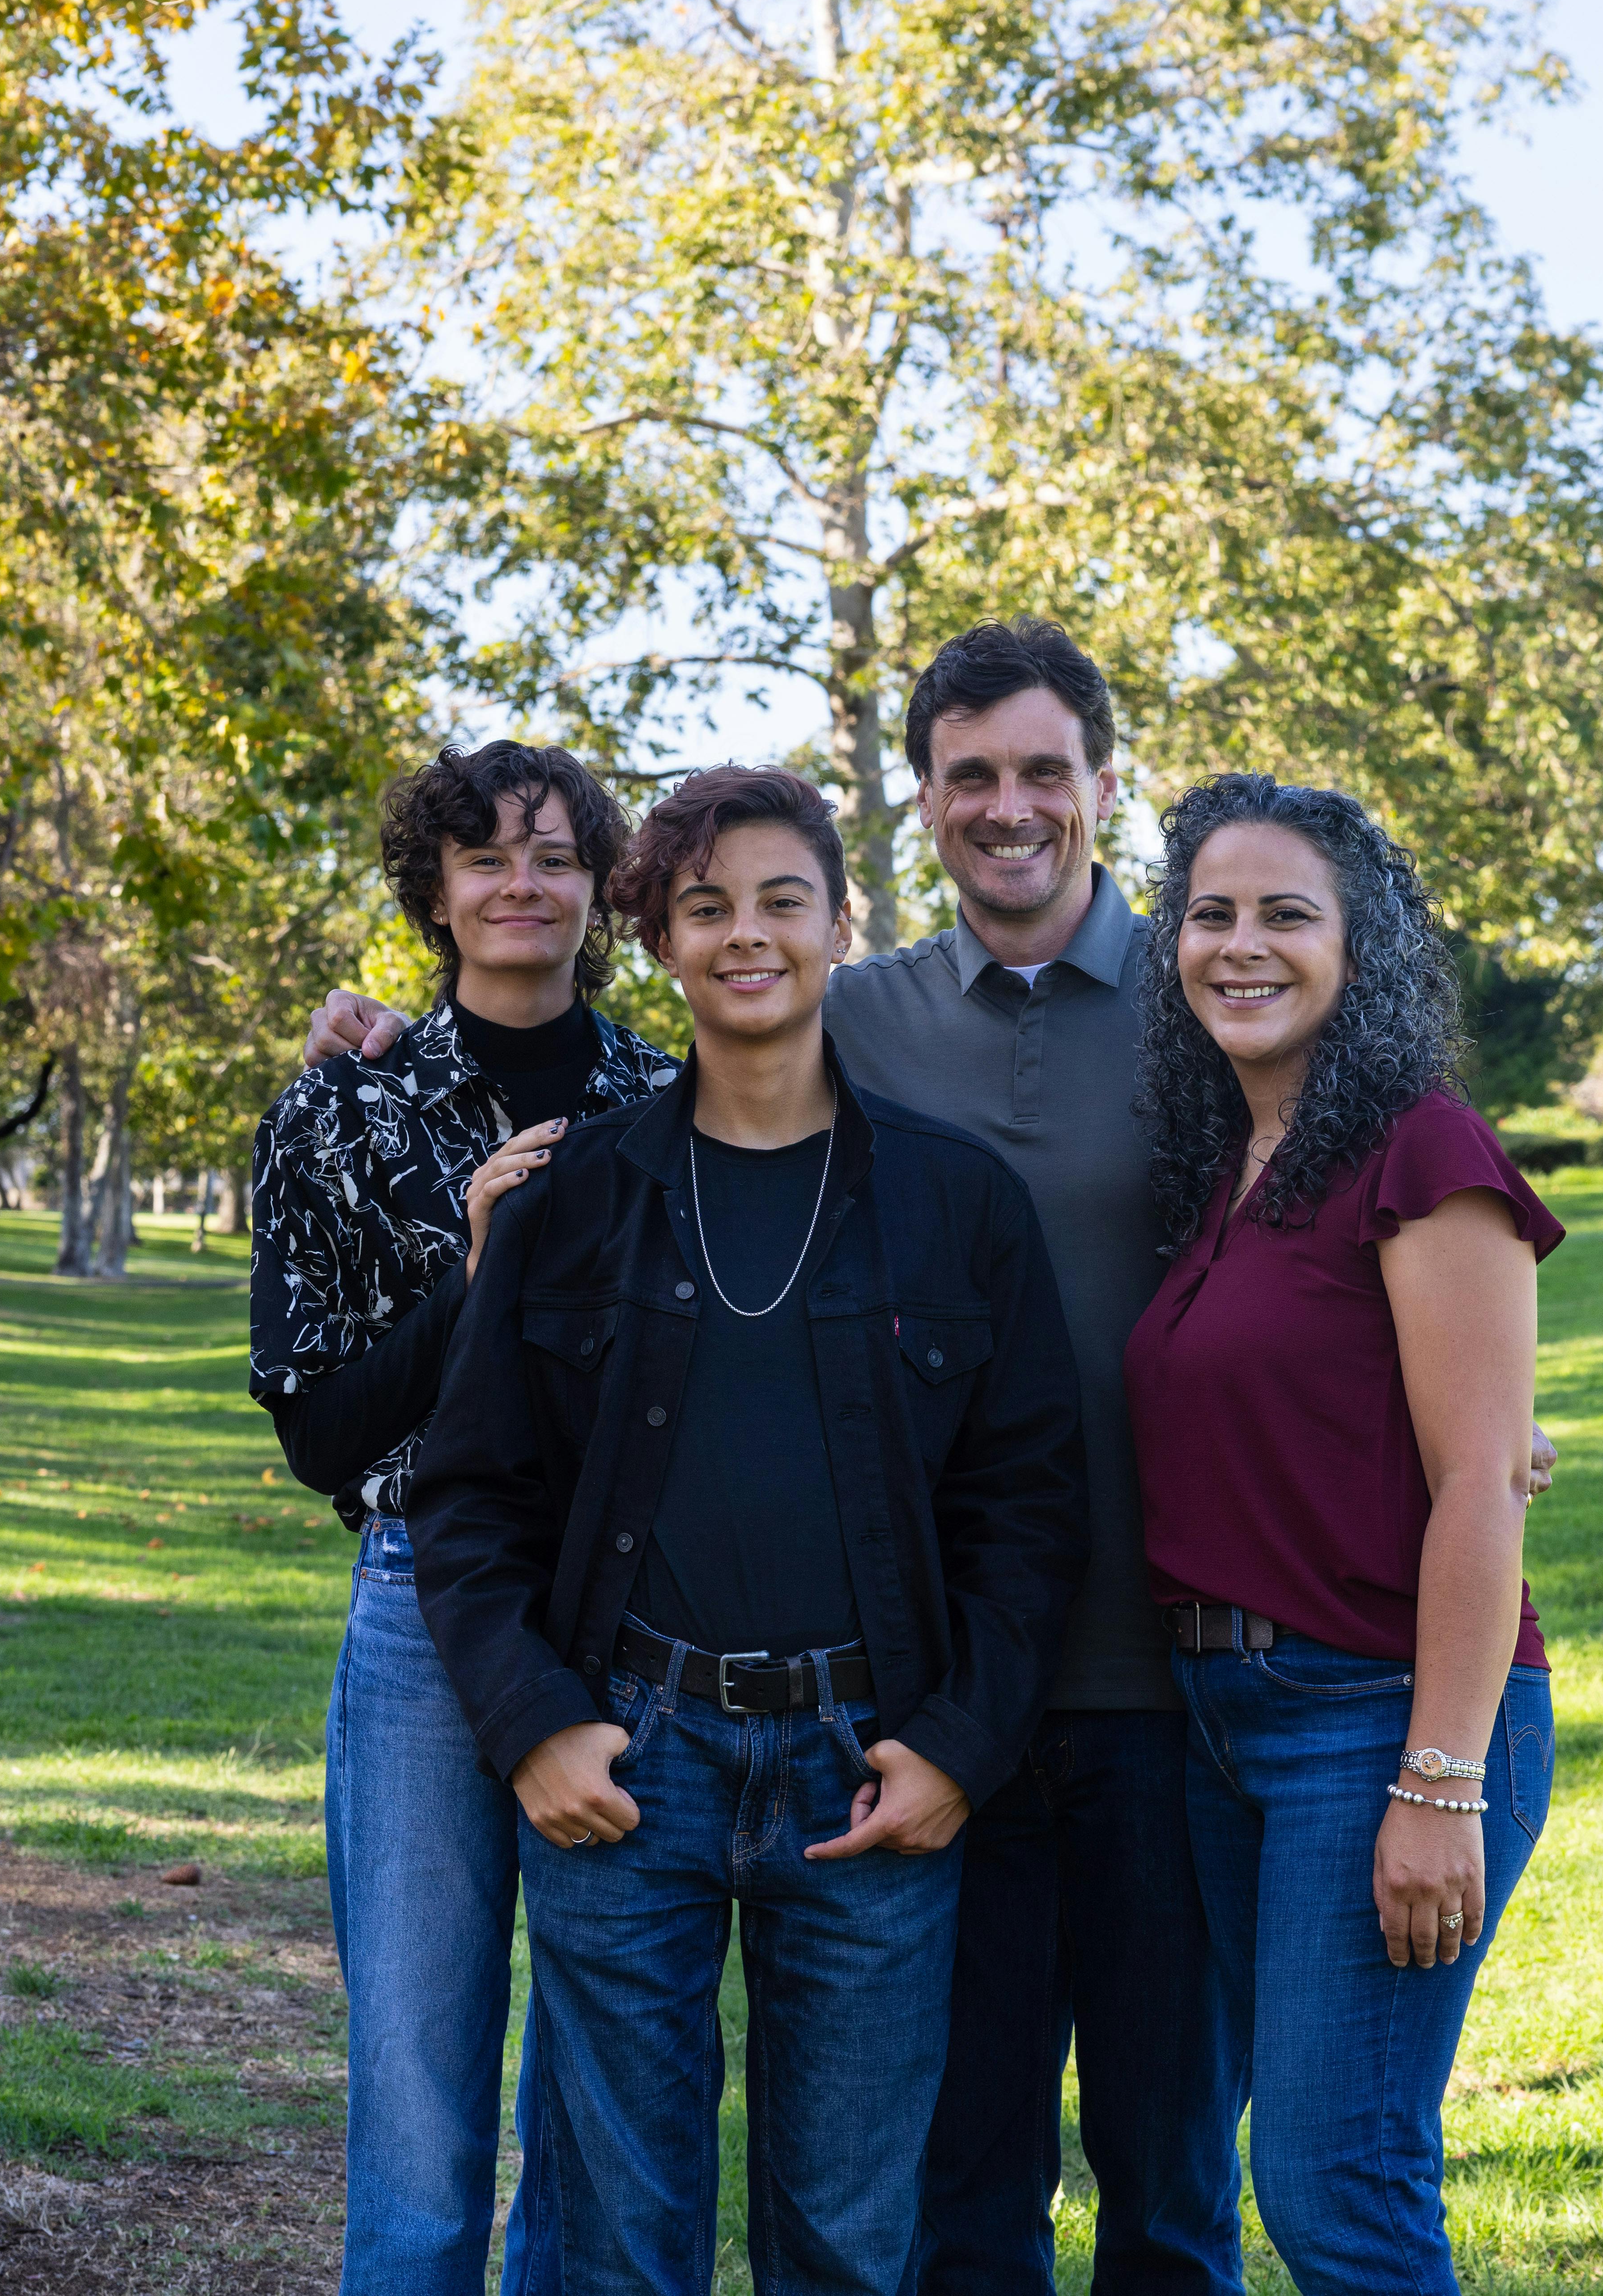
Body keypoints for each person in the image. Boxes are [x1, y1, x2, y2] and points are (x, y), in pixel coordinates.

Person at [305, 622, 1553, 2296]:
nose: (1011, 806)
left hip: (1138, 1701)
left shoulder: (1205, 1028)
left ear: (1104, 789)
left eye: (1047, 771)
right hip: (840, 1709)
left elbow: (1358, 1277)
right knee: (911, 2189)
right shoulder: (757, 1083)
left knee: (1176, 2173)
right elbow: (489, 1447)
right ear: (918, 812)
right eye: (971, 776)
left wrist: (1478, 1428)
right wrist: (421, 1014)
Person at [407, 766, 1089, 2296]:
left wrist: (961, 1746)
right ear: (659, 941)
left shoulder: (957, 1203)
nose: (747, 936)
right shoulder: (577, 1200)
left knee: (849, 2244)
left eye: (785, 900)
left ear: (843, 924)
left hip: (870, 1766)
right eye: (706, 908)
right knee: (617, 2248)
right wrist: (534, 1729)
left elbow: (1033, 1512)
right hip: (628, 1765)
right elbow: (465, 1499)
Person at [248, 740, 680, 2296]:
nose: (524, 883)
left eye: (556, 856)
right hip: (427, 1613)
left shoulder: (670, 1101)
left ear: (598, 891)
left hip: (635, 1618)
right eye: (488, 857)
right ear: (433, 892)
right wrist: (478, 1273)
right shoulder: (339, 1113)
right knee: (423, 2082)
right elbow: (320, 1431)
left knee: (597, 2081)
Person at [1121, 774, 1560, 2296]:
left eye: (1287, 916)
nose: (1241, 946)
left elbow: (1480, 1485)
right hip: (1217, 1725)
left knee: (1336, 2181)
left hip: (1376, 1721)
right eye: (1211, 914)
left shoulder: (1421, 1151)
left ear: (1359, 951)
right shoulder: (1224, 1168)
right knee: (1295, 2161)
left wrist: (1439, 1783)